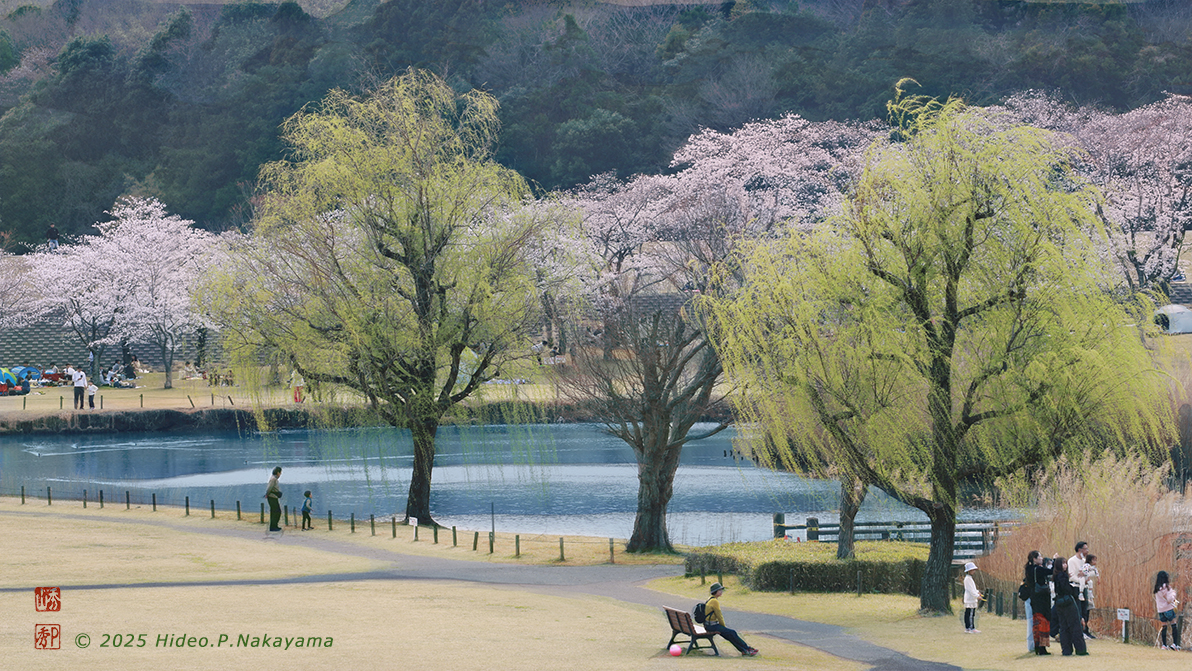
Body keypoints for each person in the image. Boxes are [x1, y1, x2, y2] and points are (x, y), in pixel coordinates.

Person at [703, 582, 758, 657]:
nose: (721, 592)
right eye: (720, 590)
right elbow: (720, 616)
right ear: (715, 591)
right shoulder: (714, 601)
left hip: (709, 625)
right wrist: (723, 627)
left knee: (730, 634)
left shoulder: (710, 599)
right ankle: (746, 649)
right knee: (732, 633)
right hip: (713, 626)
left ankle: (745, 649)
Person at [1053, 557, 1088, 655]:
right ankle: (1080, 649)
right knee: (1075, 625)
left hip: (1059, 602)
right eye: (1063, 563)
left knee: (1063, 627)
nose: (1065, 565)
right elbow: (1066, 589)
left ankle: (1066, 650)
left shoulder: (1056, 575)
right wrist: (1074, 591)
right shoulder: (1063, 575)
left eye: (1065, 563)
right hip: (1068, 602)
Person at [1026, 550, 1055, 655]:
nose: (1042, 558)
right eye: (1040, 556)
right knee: (1043, 621)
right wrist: (1054, 560)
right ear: (1034, 559)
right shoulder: (1038, 569)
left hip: (1034, 598)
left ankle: (1037, 646)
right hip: (1042, 598)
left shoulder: (1029, 569)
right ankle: (1042, 648)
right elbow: (1051, 571)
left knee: (1036, 622)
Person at [1155, 570, 1181, 650]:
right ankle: (1175, 645)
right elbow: (1170, 599)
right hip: (1168, 609)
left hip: (1160, 610)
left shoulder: (1156, 588)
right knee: (1174, 625)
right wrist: (1174, 593)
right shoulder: (1166, 587)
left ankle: (1164, 645)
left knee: (1164, 626)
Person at [1082, 554, 1099, 639]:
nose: (1095, 562)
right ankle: (1083, 630)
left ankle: (1086, 630)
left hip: (1089, 594)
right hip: (1085, 593)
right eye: (1094, 560)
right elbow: (1085, 574)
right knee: (1084, 613)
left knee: (1087, 613)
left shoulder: (1093, 569)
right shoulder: (1086, 567)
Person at [963, 562, 982, 633]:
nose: (974, 571)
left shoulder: (969, 578)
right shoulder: (967, 579)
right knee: (970, 614)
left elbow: (973, 589)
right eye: (972, 570)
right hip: (970, 599)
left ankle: (970, 627)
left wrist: (977, 592)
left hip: (971, 598)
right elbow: (970, 590)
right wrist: (977, 596)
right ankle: (970, 628)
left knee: (971, 613)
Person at [265, 467, 283, 532]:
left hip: (274, 497)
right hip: (272, 497)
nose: (280, 474)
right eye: (280, 472)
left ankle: (274, 526)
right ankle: (273, 527)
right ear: (278, 472)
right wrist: (267, 494)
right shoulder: (273, 479)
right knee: (276, 511)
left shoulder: (274, 479)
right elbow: (269, 488)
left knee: (275, 512)